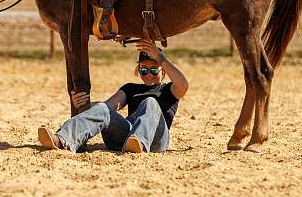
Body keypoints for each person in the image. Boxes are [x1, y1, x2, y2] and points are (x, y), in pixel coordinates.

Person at [38, 40, 189, 153]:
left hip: (156, 140)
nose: (149, 75)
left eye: (154, 70)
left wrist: (160, 57)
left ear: (163, 72)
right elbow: (107, 108)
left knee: (150, 102)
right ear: (138, 70)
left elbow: (183, 84)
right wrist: (83, 104)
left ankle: (140, 143)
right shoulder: (130, 88)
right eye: (144, 70)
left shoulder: (168, 89)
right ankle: (62, 139)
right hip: (126, 136)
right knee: (102, 109)